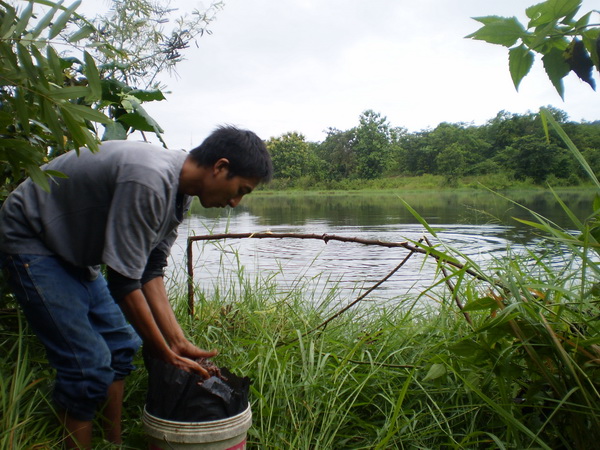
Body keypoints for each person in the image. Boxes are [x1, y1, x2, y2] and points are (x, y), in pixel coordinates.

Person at [0, 126, 273, 449]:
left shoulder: (179, 195)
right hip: (32, 237)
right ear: (220, 167)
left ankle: (113, 442)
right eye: (240, 189)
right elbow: (123, 281)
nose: (235, 202)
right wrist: (162, 349)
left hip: (72, 249)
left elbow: (150, 270)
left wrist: (177, 340)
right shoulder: (149, 179)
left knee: (121, 344)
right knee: (87, 365)